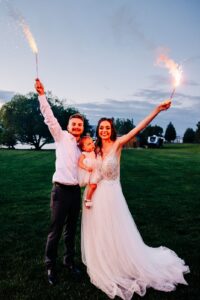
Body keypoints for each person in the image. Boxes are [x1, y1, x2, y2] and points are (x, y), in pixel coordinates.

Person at [81, 100, 190, 300]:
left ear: (111, 129)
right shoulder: (94, 148)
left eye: (107, 127)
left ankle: (119, 262)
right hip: (95, 195)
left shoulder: (118, 143)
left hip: (113, 194)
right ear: (98, 130)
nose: (104, 130)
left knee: (116, 230)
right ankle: (104, 261)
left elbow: (140, 127)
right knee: (99, 230)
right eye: (101, 128)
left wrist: (157, 110)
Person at [35, 79, 84, 285]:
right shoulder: (61, 136)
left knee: (71, 230)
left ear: (82, 128)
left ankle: (68, 261)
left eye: (80, 124)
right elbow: (49, 117)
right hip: (60, 192)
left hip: (75, 193)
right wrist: (41, 95)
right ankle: (49, 266)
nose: (76, 126)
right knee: (55, 231)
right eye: (74, 124)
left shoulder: (83, 146)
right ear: (68, 125)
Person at [78, 136, 102, 208]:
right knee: (93, 186)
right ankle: (87, 199)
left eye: (92, 142)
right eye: (89, 144)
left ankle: (88, 198)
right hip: (88, 173)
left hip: (94, 172)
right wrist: (86, 168)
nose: (92, 144)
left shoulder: (94, 152)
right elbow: (80, 163)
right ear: (83, 148)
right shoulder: (84, 154)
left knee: (95, 186)